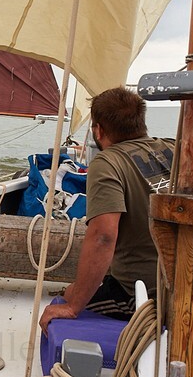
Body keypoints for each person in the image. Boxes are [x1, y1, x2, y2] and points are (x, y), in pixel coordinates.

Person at [39, 86, 174, 333]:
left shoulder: (107, 162)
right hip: (185, 285)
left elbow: (103, 235)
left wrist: (74, 305)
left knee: (69, 294)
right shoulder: (172, 148)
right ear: (140, 123)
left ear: (98, 130)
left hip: (143, 296)